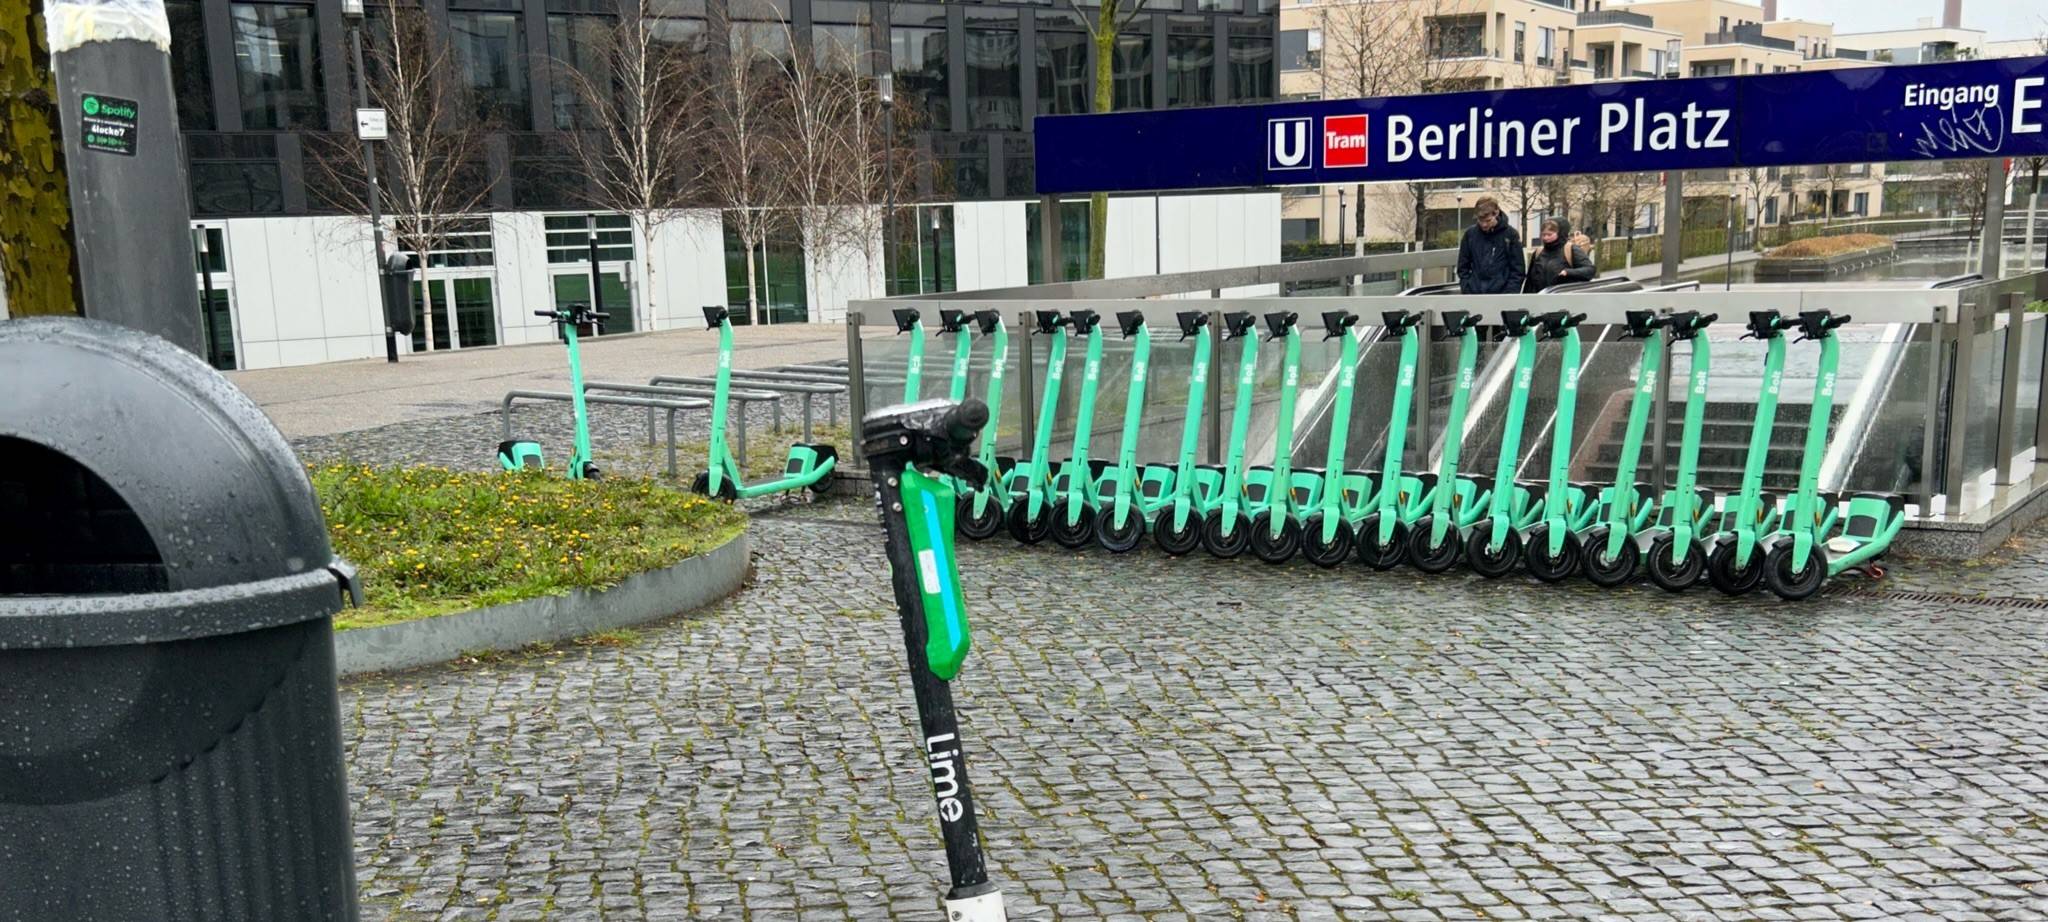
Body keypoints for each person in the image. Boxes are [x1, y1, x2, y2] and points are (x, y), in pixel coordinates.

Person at [1457, 197, 1525, 294]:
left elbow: (1518, 270)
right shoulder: (1470, 234)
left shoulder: (1511, 235)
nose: (1484, 224)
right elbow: (1463, 266)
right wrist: (1467, 288)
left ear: (1496, 213)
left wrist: (1509, 294)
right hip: (1474, 293)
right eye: (1480, 220)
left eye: (1488, 220)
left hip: (1502, 295)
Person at [1524, 218, 1595, 293]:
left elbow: (1590, 270)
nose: (1546, 238)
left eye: (1549, 234)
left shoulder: (1571, 250)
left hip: (1564, 300)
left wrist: (1569, 272)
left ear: (1560, 233)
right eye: (1543, 234)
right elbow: (1530, 282)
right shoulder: (1538, 252)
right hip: (1540, 299)